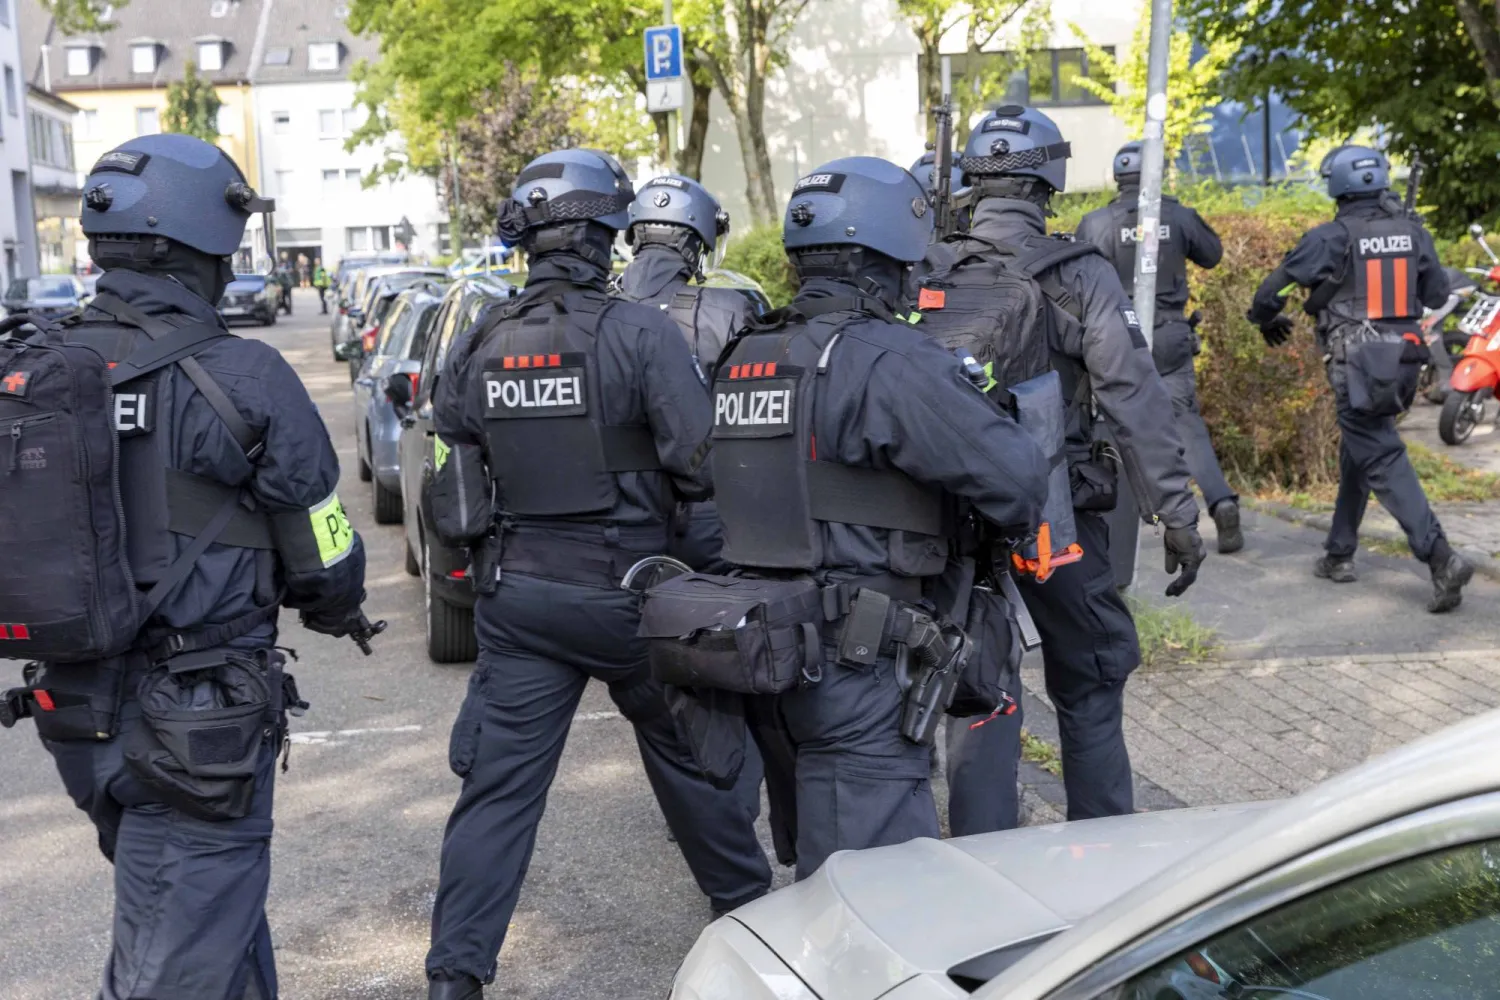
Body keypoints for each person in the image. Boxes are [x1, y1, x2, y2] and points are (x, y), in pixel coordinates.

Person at [0, 134, 375, 999]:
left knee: (207, 926)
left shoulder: (38, 363)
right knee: (171, 970)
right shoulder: (245, 373)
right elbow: (322, 550)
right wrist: (336, 603)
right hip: (199, 730)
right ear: (207, 244)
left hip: (76, 712)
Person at [423, 149, 773, 1000]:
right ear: (604, 237)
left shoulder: (483, 337)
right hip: (629, 598)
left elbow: (454, 460)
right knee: (690, 764)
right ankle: (755, 928)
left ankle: (453, 981)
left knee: (498, 799)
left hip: (519, 601)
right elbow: (701, 463)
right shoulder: (641, 333)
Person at [693, 155, 1050, 879]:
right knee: (876, 894)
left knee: (814, 871)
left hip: (766, 655)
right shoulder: (889, 360)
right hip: (858, 664)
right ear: (889, 258)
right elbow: (1016, 480)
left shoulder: (749, 352)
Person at [913, 105, 1205, 834]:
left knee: (971, 683)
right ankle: (1104, 861)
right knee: (1092, 675)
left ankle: (976, 861)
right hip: (1053, 516)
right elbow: (1134, 400)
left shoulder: (921, 271)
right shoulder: (1077, 273)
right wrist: (1177, 513)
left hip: (941, 517)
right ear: (1051, 177)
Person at [1249, 145, 1472, 612]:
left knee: (1382, 455)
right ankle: (1339, 552)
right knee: (1363, 449)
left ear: (1337, 184)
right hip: (1406, 361)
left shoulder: (1329, 237)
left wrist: (1267, 318)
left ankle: (1440, 557)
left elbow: (1273, 291)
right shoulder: (1413, 232)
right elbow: (1435, 293)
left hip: (1356, 364)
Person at [1077, 141, 1242, 553]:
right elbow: (1213, 254)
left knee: (1119, 423)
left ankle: (1123, 532)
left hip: (1118, 338)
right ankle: (1220, 502)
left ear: (1118, 177)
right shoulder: (1178, 216)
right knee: (1187, 425)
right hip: (1170, 334)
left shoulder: (1096, 223)